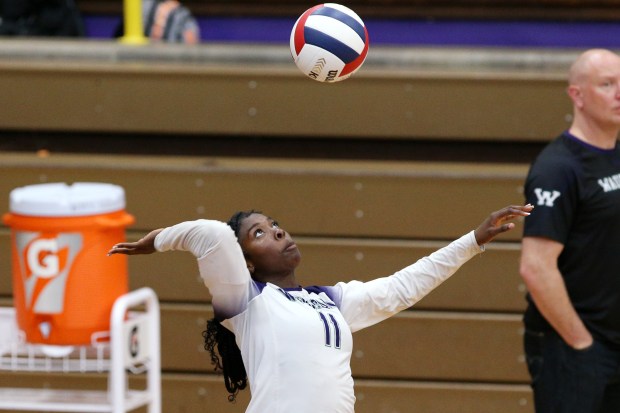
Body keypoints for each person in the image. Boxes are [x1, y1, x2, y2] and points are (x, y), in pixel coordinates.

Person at [109, 204, 532, 412]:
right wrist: (159, 239)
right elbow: (212, 235)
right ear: (247, 261)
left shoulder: (332, 300)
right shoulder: (245, 301)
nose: (277, 232)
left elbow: (403, 287)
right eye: (260, 233)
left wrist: (474, 240)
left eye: (275, 225)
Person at [519, 48, 620, 413]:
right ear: (577, 95)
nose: (619, 94)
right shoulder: (557, 168)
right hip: (574, 350)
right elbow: (535, 267)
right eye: (607, 84)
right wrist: (581, 344)